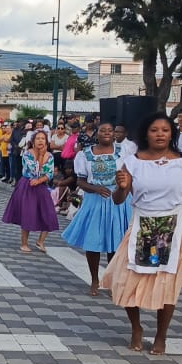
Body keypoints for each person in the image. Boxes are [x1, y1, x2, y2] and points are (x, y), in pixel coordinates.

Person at [101, 113, 182, 355]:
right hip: (143, 223)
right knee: (125, 278)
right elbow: (118, 199)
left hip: (175, 224)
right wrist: (121, 187)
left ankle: (161, 336)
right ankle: (136, 328)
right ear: (146, 134)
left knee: (167, 281)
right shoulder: (132, 162)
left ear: (172, 134)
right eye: (154, 130)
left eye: (165, 130)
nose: (160, 134)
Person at [62, 122, 133, 296]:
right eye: (103, 130)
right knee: (93, 242)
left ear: (114, 134)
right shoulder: (85, 154)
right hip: (95, 201)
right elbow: (80, 181)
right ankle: (94, 279)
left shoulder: (124, 151)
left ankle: (111, 280)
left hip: (118, 201)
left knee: (115, 243)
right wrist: (95, 189)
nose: (107, 133)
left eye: (110, 130)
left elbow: (130, 176)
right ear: (97, 133)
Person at [3, 130, 60, 253]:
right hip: (27, 185)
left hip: (41, 185)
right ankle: (24, 243)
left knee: (49, 214)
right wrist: (40, 156)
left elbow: (49, 173)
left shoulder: (50, 156)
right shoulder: (27, 153)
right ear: (33, 141)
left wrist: (40, 180)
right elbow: (34, 170)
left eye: (43, 139)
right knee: (27, 213)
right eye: (38, 138)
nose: (40, 141)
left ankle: (41, 241)